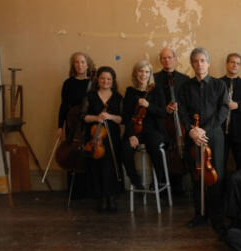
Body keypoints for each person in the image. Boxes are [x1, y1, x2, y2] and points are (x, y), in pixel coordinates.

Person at [178, 47, 229, 231]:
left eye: (202, 60)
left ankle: (216, 215)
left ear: (208, 63)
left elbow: (223, 110)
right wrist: (192, 130)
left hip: (213, 134)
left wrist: (204, 130)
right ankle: (199, 214)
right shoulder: (185, 86)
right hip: (193, 135)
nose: (199, 64)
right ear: (192, 64)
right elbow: (182, 110)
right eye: (196, 61)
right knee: (196, 174)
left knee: (217, 175)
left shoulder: (219, 85)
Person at [80, 66, 124, 211]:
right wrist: (96, 117)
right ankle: (102, 197)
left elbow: (121, 119)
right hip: (95, 136)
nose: (106, 81)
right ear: (98, 80)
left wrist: (109, 116)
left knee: (111, 166)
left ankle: (111, 196)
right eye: (103, 78)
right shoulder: (90, 96)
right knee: (98, 166)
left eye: (109, 79)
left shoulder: (118, 98)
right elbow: (83, 117)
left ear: (113, 81)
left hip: (112, 136)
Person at [121, 60, 167, 190]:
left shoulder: (157, 90)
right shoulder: (130, 92)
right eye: (140, 71)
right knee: (125, 149)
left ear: (150, 74)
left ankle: (158, 180)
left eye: (147, 72)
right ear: (135, 74)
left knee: (155, 146)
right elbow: (126, 116)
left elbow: (162, 112)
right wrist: (131, 135)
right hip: (134, 131)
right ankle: (136, 181)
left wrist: (148, 105)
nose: (143, 74)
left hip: (153, 130)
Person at [57, 51, 96, 199]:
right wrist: (60, 126)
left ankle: (90, 189)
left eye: (82, 62)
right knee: (73, 154)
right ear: (73, 65)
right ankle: (75, 191)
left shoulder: (93, 83)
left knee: (89, 153)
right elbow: (64, 106)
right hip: (73, 124)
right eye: (76, 62)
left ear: (88, 65)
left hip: (89, 123)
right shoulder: (68, 83)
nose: (79, 65)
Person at [153, 47, 191, 196]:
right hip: (161, 121)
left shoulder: (185, 79)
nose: (167, 60)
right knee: (164, 150)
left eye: (169, 57)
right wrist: (165, 108)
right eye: (163, 58)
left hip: (180, 121)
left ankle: (179, 184)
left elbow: (188, 100)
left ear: (175, 59)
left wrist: (178, 106)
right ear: (160, 60)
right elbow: (152, 101)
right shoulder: (154, 78)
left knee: (181, 150)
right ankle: (162, 183)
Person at [219, 53, 241, 171]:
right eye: (232, 62)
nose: (235, 65)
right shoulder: (217, 83)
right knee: (219, 164)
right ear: (227, 64)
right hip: (220, 131)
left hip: (239, 132)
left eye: (238, 63)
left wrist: (238, 105)